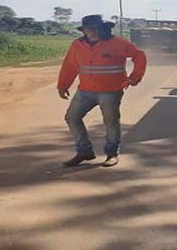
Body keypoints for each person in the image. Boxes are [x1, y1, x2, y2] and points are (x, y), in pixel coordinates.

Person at [57, 14, 147, 168]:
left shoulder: (117, 43)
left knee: (111, 122)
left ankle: (112, 154)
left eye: (97, 28)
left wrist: (135, 76)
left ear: (103, 29)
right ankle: (84, 151)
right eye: (90, 29)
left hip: (111, 91)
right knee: (72, 117)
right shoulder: (77, 45)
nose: (94, 32)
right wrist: (63, 85)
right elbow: (69, 66)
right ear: (84, 30)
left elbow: (139, 56)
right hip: (85, 90)